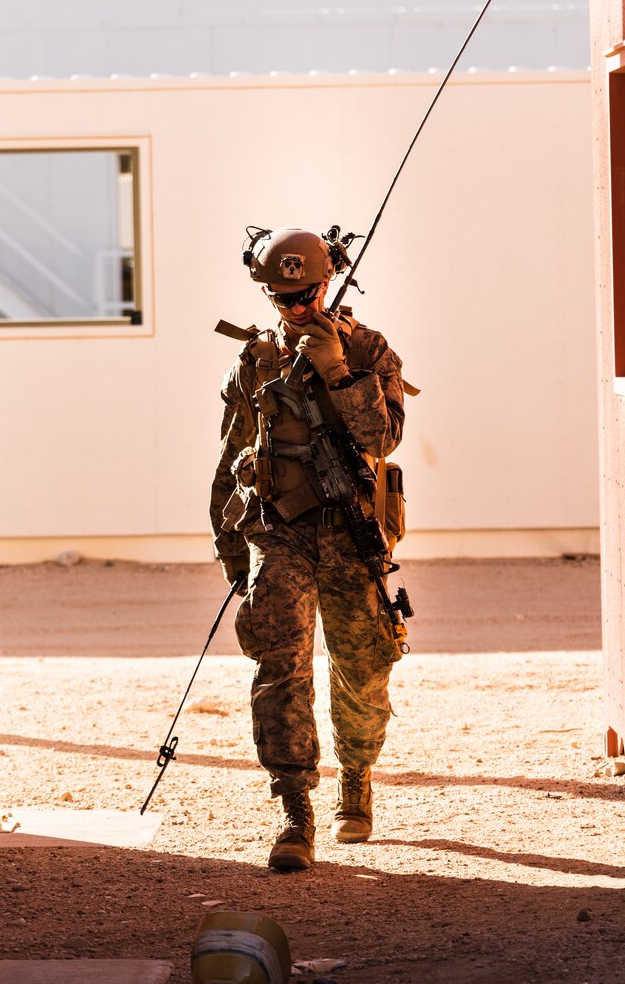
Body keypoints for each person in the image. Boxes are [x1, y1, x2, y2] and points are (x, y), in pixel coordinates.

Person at [210, 226, 407, 872]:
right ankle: (295, 811)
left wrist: (337, 369)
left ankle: (357, 779)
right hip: (278, 531)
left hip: (348, 531)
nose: (295, 308)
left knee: (363, 666)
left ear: (328, 284)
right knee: (279, 668)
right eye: (281, 297)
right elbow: (228, 453)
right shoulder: (254, 359)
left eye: (305, 294)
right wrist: (230, 548)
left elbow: (384, 437)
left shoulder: (368, 348)